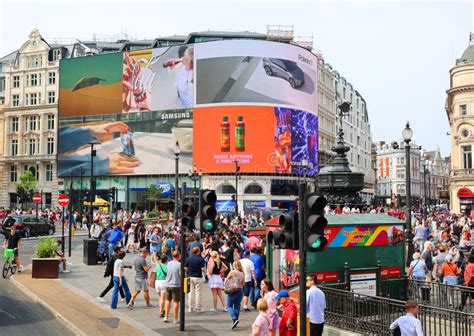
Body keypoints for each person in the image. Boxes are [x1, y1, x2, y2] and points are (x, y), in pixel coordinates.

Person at [185, 246, 206, 313]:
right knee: (198, 293)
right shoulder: (201, 259)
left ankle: (190, 307)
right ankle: (198, 307)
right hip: (198, 277)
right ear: (198, 252)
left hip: (190, 277)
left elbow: (185, 268)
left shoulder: (188, 259)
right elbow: (203, 269)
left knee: (190, 292)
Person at [225, 260, 245, 330]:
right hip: (240, 291)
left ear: (234, 265)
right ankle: (235, 321)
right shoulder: (242, 273)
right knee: (237, 306)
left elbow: (226, 280)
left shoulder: (232, 272)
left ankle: (234, 318)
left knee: (229, 306)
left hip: (232, 290)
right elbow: (243, 284)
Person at [163, 251, 181, 323]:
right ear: (178, 256)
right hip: (175, 284)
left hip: (167, 284)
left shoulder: (169, 263)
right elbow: (181, 275)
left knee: (167, 300)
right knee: (176, 302)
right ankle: (175, 318)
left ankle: (166, 316)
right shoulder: (179, 264)